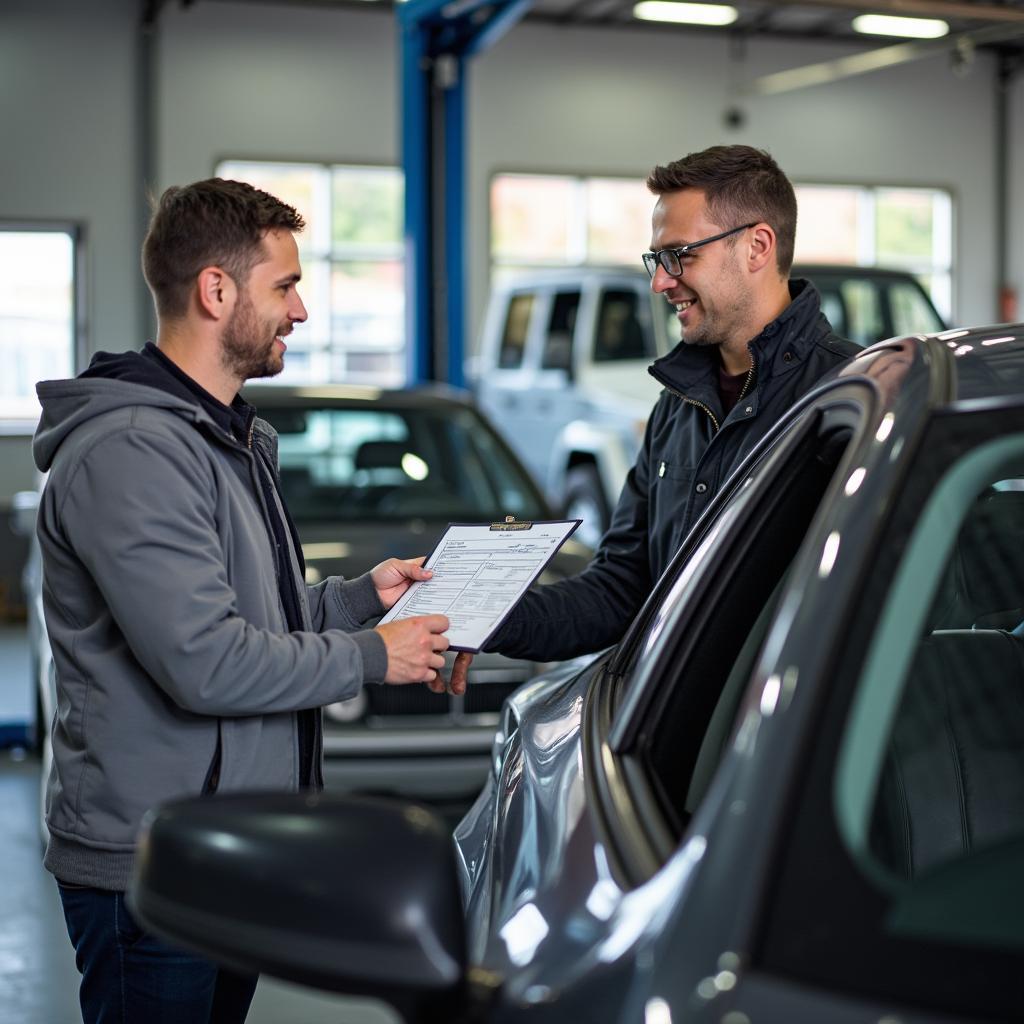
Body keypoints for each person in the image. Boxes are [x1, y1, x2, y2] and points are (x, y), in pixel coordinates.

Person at [33, 178, 453, 1024]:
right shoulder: (133, 451)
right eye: (286, 286)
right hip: (150, 860)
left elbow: (245, 611)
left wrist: (356, 602)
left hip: (224, 847)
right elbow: (207, 662)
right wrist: (376, 657)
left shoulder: (223, 434)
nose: (300, 312)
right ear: (216, 291)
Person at [442, 144, 859, 691]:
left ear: (757, 247)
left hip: (783, 743)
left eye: (681, 255)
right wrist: (483, 618)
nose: (661, 283)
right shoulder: (677, 405)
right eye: (657, 260)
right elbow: (621, 588)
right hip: (676, 736)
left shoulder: (853, 395)